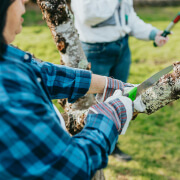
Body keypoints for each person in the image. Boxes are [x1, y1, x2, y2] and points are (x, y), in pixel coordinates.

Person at [0, 0, 146, 179]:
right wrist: (110, 114)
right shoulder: (7, 93)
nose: (25, 0)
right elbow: (72, 167)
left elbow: (44, 73)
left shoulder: (6, 56)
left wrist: (109, 84)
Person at [70, 0, 169, 161]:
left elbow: (128, 17)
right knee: (93, 103)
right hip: (95, 50)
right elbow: (87, 15)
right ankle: (90, 149)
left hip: (122, 47)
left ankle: (112, 144)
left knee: (119, 97)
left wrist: (152, 33)